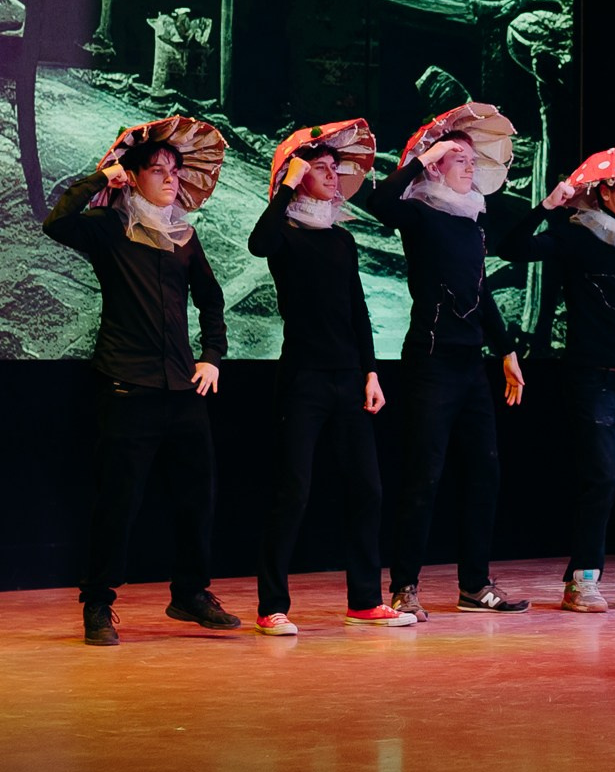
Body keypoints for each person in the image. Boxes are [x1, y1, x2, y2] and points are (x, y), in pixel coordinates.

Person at [42, 118, 241, 645]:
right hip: (126, 384)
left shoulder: (184, 236)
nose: (171, 179)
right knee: (119, 501)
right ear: (132, 177)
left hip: (182, 386)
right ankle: (98, 603)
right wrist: (99, 178)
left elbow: (211, 299)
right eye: (158, 170)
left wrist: (212, 356)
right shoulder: (110, 228)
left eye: (175, 170)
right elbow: (56, 223)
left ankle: (190, 594)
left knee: (198, 497)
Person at [499, 157, 615, 613]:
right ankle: (581, 579)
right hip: (592, 381)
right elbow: (511, 247)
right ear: (605, 191)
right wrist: (547, 205)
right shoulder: (576, 236)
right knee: (602, 478)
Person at [249, 122, 416, 635]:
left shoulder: (342, 239)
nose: (331, 175)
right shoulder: (285, 234)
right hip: (304, 379)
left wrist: (372, 371)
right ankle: (271, 606)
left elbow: (357, 310)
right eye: (319, 168)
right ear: (299, 176)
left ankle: (365, 600)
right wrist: (285, 186)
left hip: (349, 378)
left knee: (367, 489)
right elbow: (258, 243)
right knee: (293, 492)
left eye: (332, 168)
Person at [367, 122, 529, 620]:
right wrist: (423, 156)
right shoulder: (419, 212)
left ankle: (475, 585)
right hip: (431, 362)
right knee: (424, 476)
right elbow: (377, 202)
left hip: (470, 364)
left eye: (472, 161)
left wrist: (506, 350)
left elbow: (480, 292)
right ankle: (405, 586)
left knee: (485, 472)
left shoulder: (471, 220)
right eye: (460, 159)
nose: (470, 167)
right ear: (436, 167)